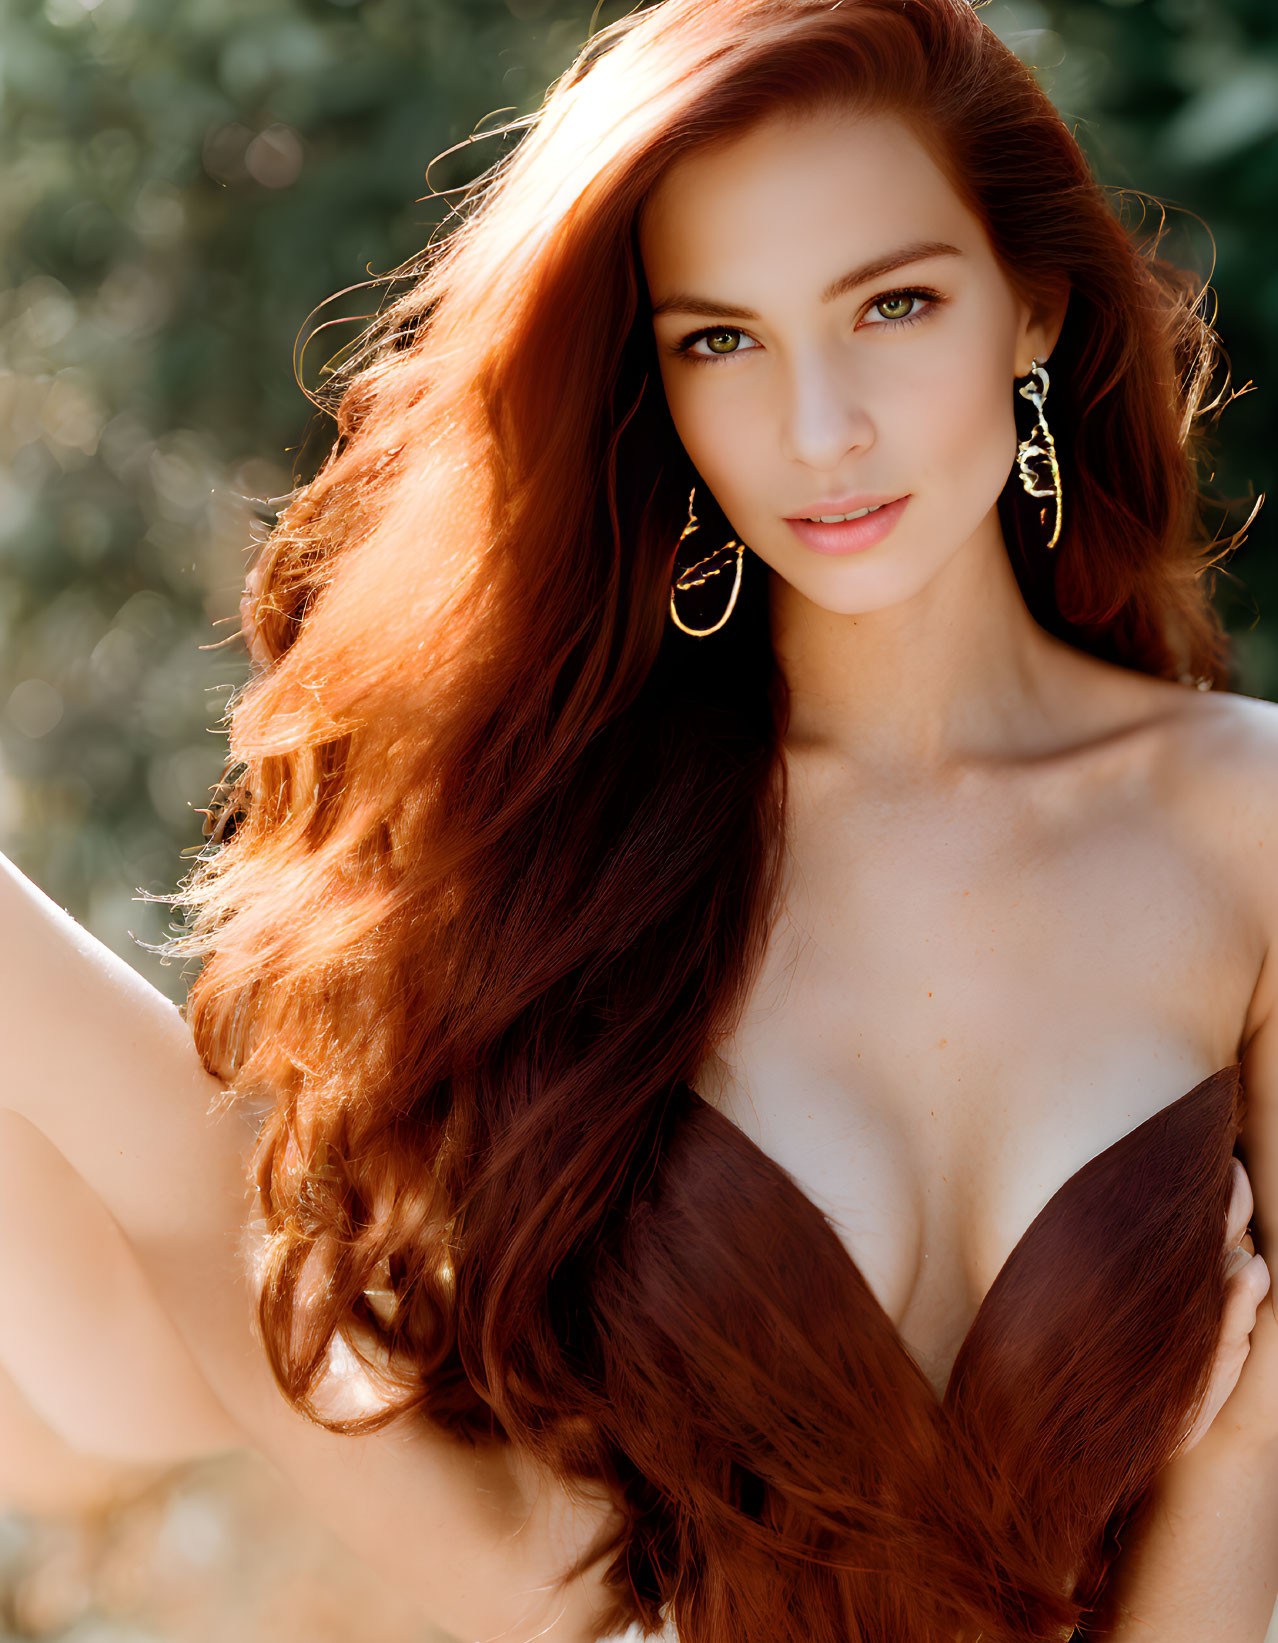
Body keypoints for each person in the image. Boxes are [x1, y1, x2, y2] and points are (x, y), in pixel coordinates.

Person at [0, 0, 1276, 1638]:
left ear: (1029, 307)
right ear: (651, 384)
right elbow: (511, 1557)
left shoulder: (1243, 828)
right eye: (718, 339)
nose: (819, 429)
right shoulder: (577, 848)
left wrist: (1243, 1454)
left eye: (892, 304)